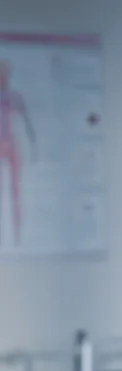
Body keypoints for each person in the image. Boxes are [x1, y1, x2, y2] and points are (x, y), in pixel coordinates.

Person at [0, 59, 36, 246]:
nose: (2, 76)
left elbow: (27, 120)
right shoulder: (13, 97)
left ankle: (18, 236)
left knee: (16, 192)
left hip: (11, 145)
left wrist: (34, 145)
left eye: (4, 72)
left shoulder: (15, 96)